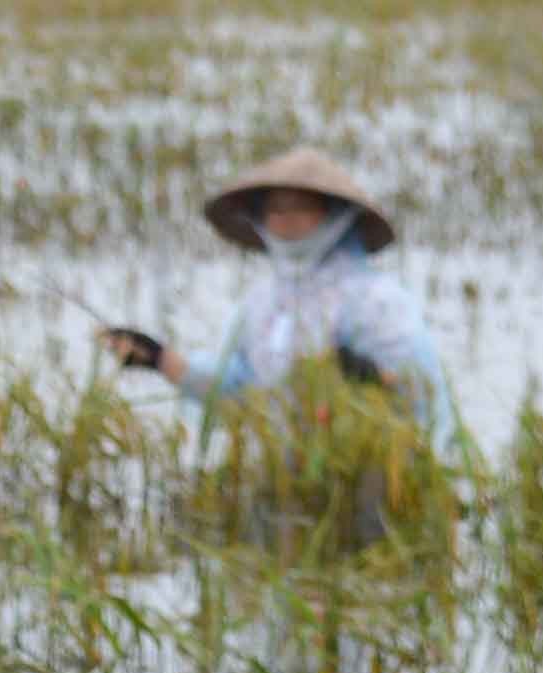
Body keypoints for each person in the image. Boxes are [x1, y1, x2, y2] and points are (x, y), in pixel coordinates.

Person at [101, 147, 463, 458]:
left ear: (333, 213)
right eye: (275, 209)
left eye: (301, 207)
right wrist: (161, 360)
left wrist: (371, 379)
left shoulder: (377, 301)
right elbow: (242, 396)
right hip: (286, 478)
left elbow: (420, 399)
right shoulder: (261, 305)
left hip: (364, 471)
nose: (286, 220)